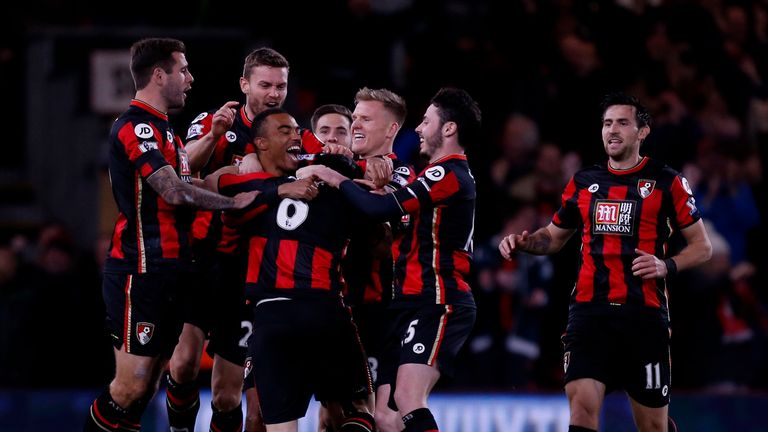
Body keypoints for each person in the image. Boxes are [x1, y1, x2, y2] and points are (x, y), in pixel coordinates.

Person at [498, 92, 713, 432]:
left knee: (653, 427)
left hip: (644, 317)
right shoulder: (584, 183)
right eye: (607, 123)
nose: (612, 130)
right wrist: (525, 243)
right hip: (588, 312)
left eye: (623, 123)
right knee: (582, 410)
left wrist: (665, 265)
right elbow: (553, 237)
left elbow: (702, 247)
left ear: (642, 132)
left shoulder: (667, 181)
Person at [83, 37, 256, 432]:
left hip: (172, 270)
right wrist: (233, 203)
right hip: (140, 270)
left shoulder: (167, 130)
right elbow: (173, 190)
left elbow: (185, 178)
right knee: (129, 388)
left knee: (146, 388)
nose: (190, 79)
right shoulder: (135, 126)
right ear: (159, 75)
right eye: (183, 70)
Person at [299, 87, 482, 432]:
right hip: (405, 303)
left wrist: (336, 178)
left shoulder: (443, 173)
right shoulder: (432, 174)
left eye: (426, 121)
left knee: (408, 402)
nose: (419, 128)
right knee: (384, 416)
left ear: (449, 128)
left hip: (435, 299)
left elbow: (379, 210)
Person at [218, 107, 375, 432]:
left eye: (297, 132)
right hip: (324, 312)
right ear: (260, 143)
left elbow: (216, 190)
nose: (296, 137)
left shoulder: (248, 193)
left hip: (272, 318)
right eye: (286, 132)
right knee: (360, 411)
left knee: (276, 424)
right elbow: (381, 216)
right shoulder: (345, 188)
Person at [164, 46, 290, 432]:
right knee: (183, 362)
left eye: (281, 86)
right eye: (265, 85)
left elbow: (317, 170)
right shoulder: (216, 121)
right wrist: (216, 135)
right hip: (203, 260)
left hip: (249, 273)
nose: (273, 94)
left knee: (225, 395)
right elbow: (185, 168)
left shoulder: (290, 133)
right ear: (244, 84)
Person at [317, 88, 416, 431]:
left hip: (381, 314)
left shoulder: (405, 176)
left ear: (391, 130)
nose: (354, 124)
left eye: (365, 119)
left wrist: (340, 181)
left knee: (384, 417)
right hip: (331, 307)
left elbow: (385, 229)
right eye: (355, 116)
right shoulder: (334, 165)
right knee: (331, 416)